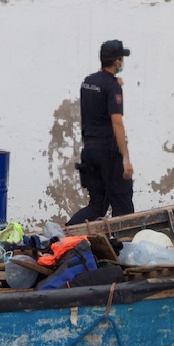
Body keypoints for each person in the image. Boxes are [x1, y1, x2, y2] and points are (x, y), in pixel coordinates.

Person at [67, 39, 134, 225]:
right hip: (108, 153)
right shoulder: (112, 86)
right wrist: (126, 159)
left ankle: (65, 234)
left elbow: (98, 93)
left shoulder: (88, 82)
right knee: (124, 207)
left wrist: (112, 84)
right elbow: (117, 123)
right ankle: (125, 249)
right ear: (117, 61)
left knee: (97, 205)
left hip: (89, 151)